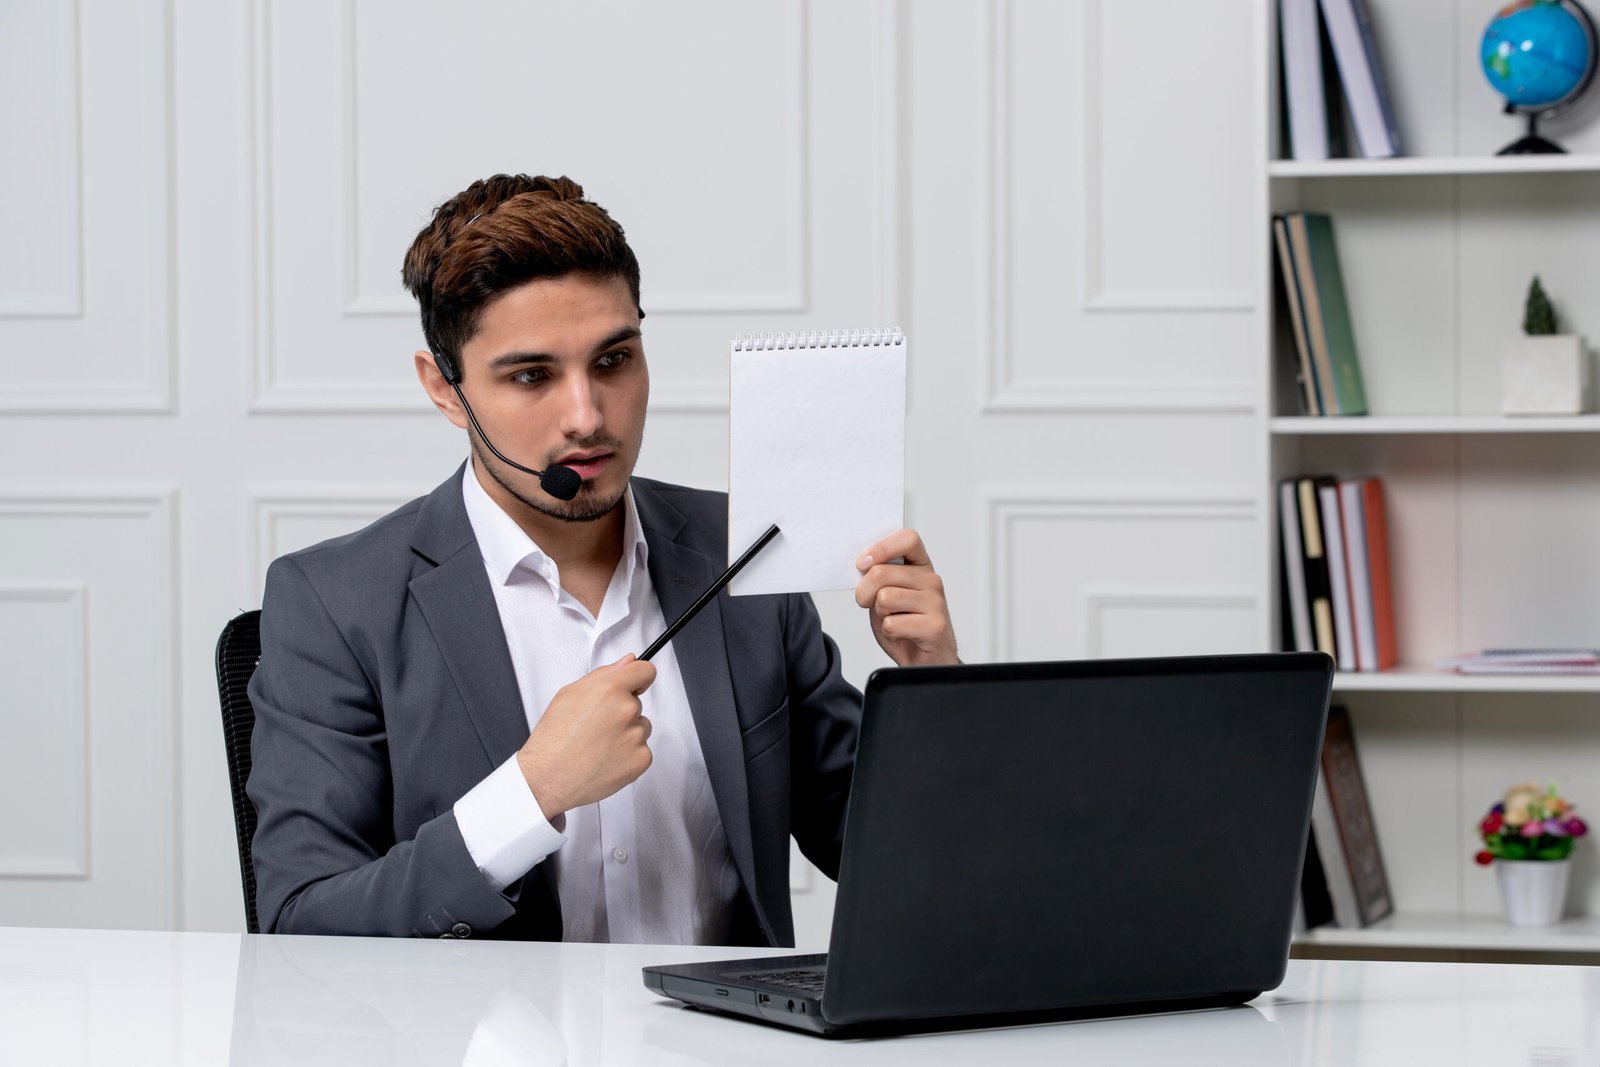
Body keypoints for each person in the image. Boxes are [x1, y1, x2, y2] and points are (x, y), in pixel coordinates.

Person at [246, 174, 959, 944]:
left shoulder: (746, 551)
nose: (586, 417)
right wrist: (531, 792)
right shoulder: (332, 602)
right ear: (445, 389)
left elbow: (894, 857)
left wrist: (935, 696)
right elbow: (301, 923)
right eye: (531, 375)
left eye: (613, 361)